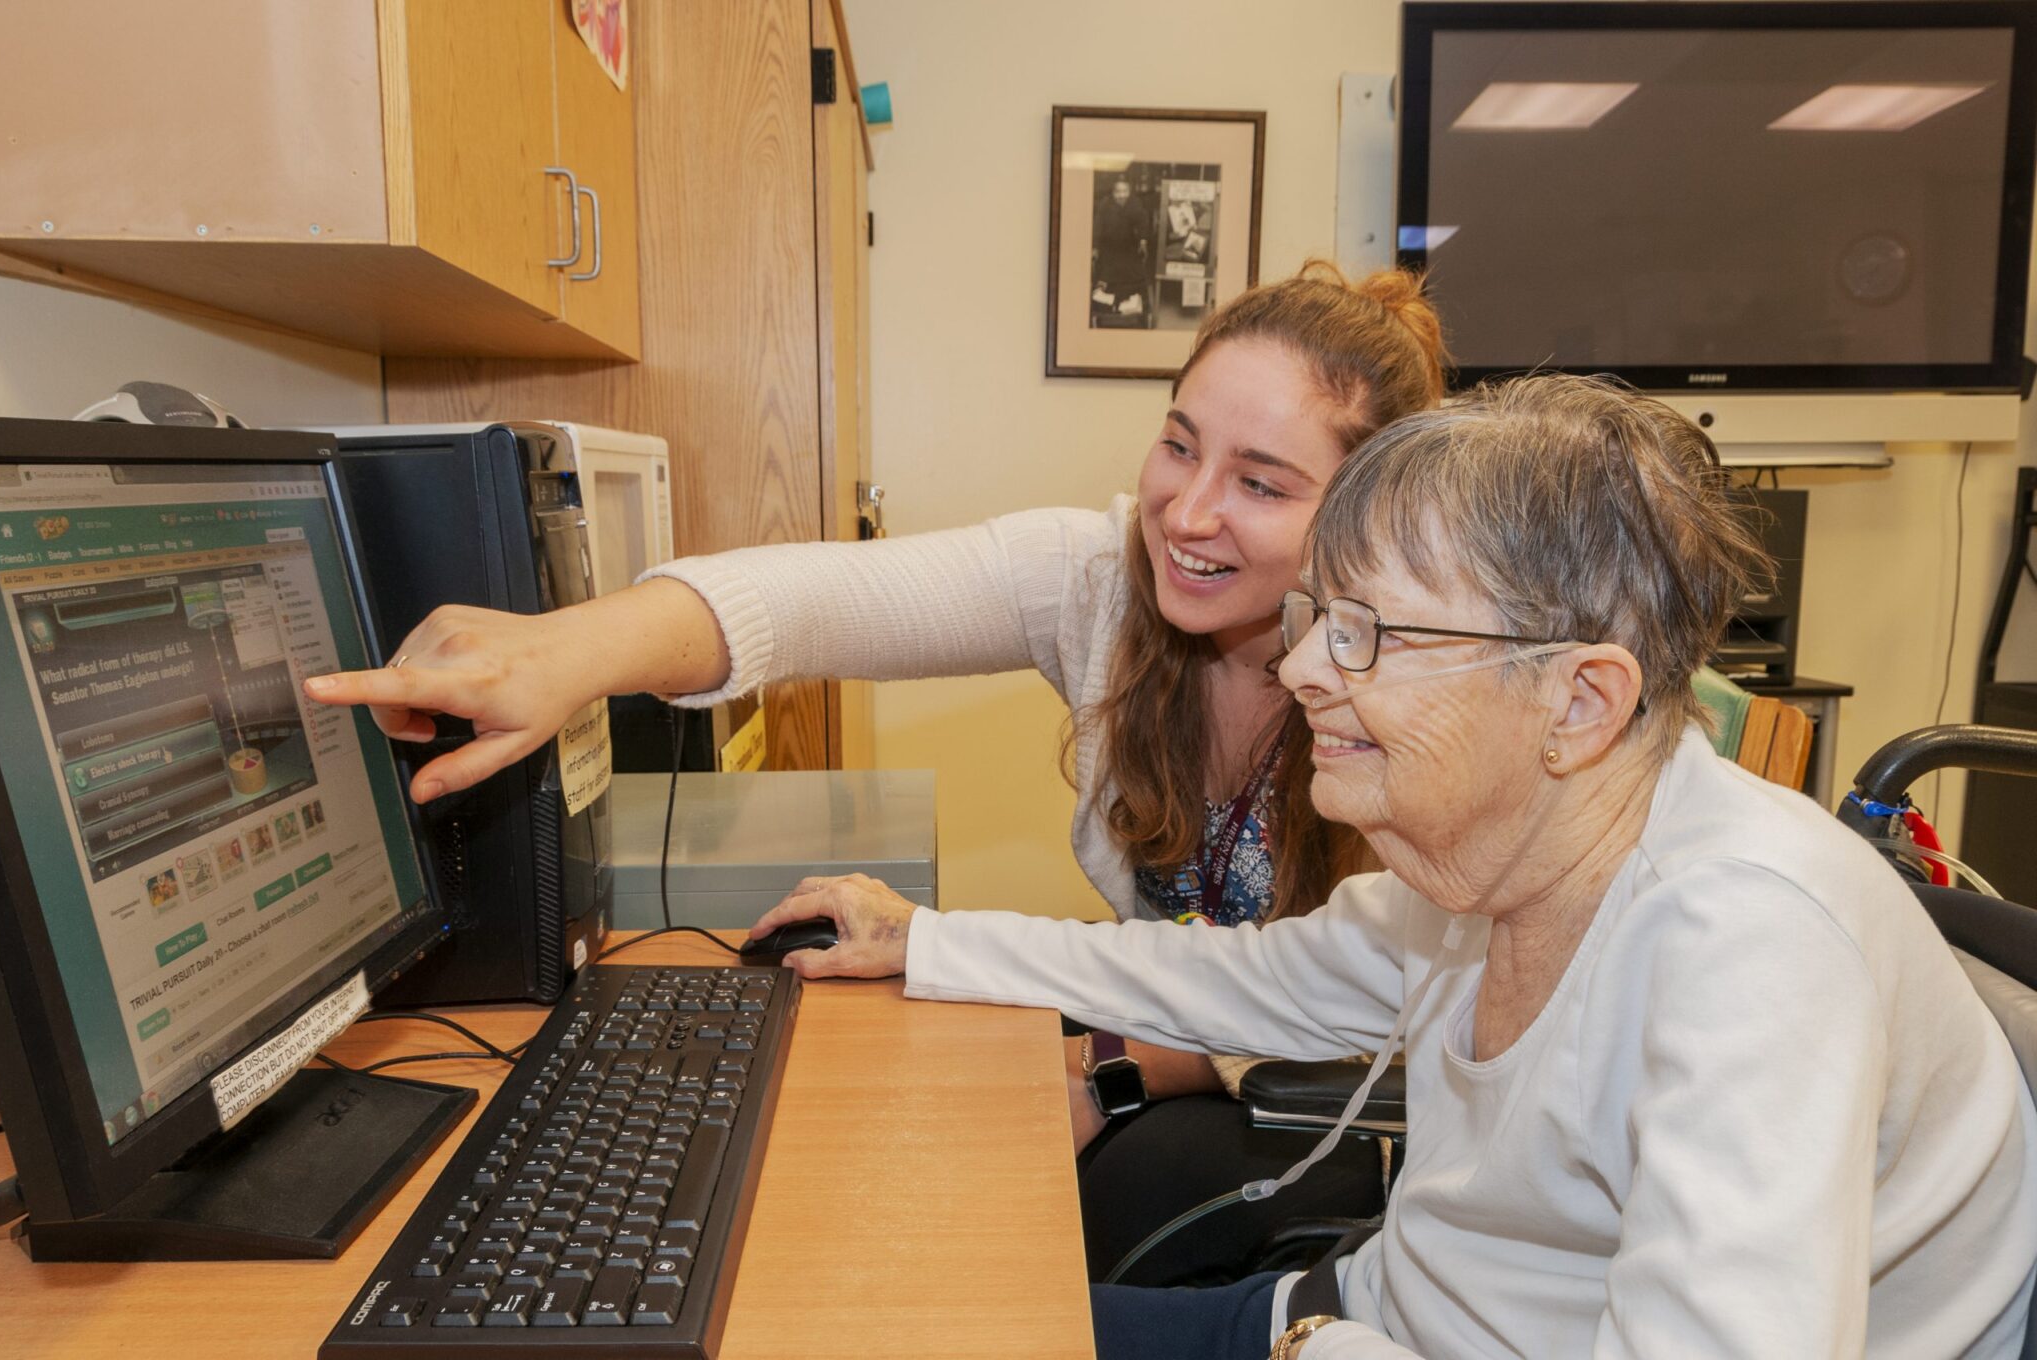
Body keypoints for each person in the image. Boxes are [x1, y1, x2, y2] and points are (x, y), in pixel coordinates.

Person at [744, 374, 2037, 1359]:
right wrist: (919, 937)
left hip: (1361, 1341)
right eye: (1323, 618)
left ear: (1579, 705)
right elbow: (1224, 980)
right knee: (868, 1322)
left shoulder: (1750, 947)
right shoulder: (1488, 871)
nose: (1303, 669)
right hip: (1356, 1321)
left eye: (1369, 633)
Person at [301, 261, 1452, 1281]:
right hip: (1184, 1035)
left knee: (1070, 1226)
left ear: (1363, 514)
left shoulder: (1425, 683)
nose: (1185, 511)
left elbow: (1380, 1003)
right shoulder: (1099, 581)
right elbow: (811, 601)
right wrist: (567, 651)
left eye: (1259, 482)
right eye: (1177, 442)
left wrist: (1113, 1070)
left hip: (1362, 1118)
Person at [1093, 177, 1153, 323]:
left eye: (1125, 191)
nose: (1121, 195)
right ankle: (1106, 309)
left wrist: (1143, 241)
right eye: (1118, 192)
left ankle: (1138, 309)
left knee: (1135, 277)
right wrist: (1095, 247)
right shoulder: (1104, 205)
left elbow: (1143, 222)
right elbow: (1097, 227)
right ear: (1113, 192)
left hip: (1129, 249)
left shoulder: (1135, 204)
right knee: (1105, 277)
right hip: (1109, 249)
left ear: (1129, 191)